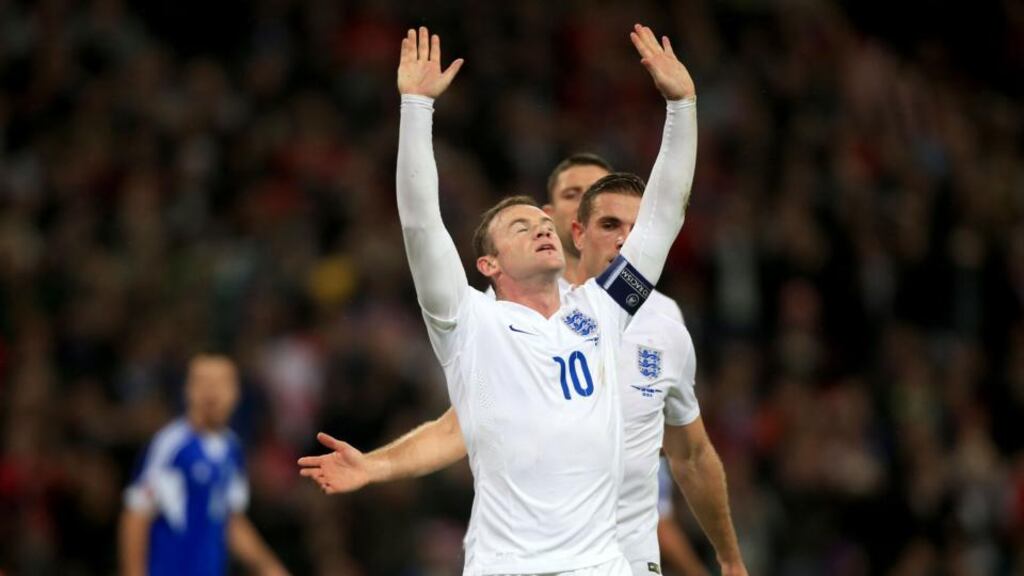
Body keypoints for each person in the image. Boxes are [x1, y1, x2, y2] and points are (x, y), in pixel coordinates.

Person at [304, 23, 698, 575]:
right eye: (520, 227)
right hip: (506, 566)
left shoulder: (603, 311)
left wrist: (682, 105)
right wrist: (416, 106)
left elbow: (662, 218)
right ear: (487, 265)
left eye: (544, 222)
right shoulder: (467, 321)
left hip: (599, 566)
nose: (542, 228)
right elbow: (420, 224)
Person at [300, 172, 746, 576]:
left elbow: (692, 456)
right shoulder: (501, 325)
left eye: (633, 221)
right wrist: (375, 465)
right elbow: (457, 428)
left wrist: (729, 557)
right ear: (576, 227)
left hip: (621, 558)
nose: (623, 234)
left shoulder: (663, 330)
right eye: (577, 199)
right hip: (522, 556)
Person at [120, 354, 288, 576]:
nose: (212, 391)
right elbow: (136, 515)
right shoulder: (172, 445)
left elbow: (230, 520)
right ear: (188, 390)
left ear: (236, 393)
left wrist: (269, 567)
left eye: (220, 383)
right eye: (203, 382)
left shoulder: (231, 448)